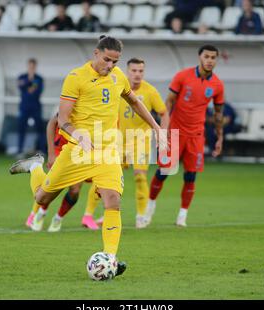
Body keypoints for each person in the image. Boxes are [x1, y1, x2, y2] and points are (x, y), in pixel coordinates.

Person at [9, 36, 165, 278]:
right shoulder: (76, 78)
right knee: (41, 198)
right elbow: (62, 119)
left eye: (115, 61)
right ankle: (35, 167)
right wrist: (77, 134)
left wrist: (156, 127)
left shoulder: (118, 77)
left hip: (108, 152)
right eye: (107, 59)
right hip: (77, 151)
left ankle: (110, 258)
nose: (111, 65)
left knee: (113, 200)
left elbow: (134, 102)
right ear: (95, 53)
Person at [81, 57, 170, 230]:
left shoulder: (150, 92)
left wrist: (162, 133)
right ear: (127, 71)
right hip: (117, 141)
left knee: (139, 176)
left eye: (141, 71)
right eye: (134, 71)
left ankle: (141, 216)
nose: (137, 74)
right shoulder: (116, 86)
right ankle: (88, 215)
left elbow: (164, 113)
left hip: (140, 142)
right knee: (103, 178)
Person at [143, 44, 225, 228]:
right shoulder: (183, 76)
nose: (210, 60)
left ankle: (182, 216)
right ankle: (150, 207)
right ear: (200, 57)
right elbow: (168, 103)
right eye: (207, 57)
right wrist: (164, 130)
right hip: (176, 133)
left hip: (196, 136)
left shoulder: (217, 85)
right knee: (164, 171)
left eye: (213, 57)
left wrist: (220, 137)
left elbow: (218, 114)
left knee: (190, 176)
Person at [25, 113, 83, 232]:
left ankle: (58, 218)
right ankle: (40, 213)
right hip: (61, 149)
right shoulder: (73, 103)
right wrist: (51, 153)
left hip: (80, 152)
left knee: (75, 190)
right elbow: (52, 123)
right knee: (53, 185)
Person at [17, 58, 46, 157]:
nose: (31, 68)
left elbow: (36, 91)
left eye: (33, 66)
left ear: (35, 67)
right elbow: (20, 86)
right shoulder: (22, 76)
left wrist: (29, 85)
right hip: (24, 107)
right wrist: (28, 81)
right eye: (30, 66)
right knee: (21, 128)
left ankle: (42, 150)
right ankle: (20, 150)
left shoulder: (39, 78)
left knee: (40, 129)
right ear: (28, 66)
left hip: (35, 107)